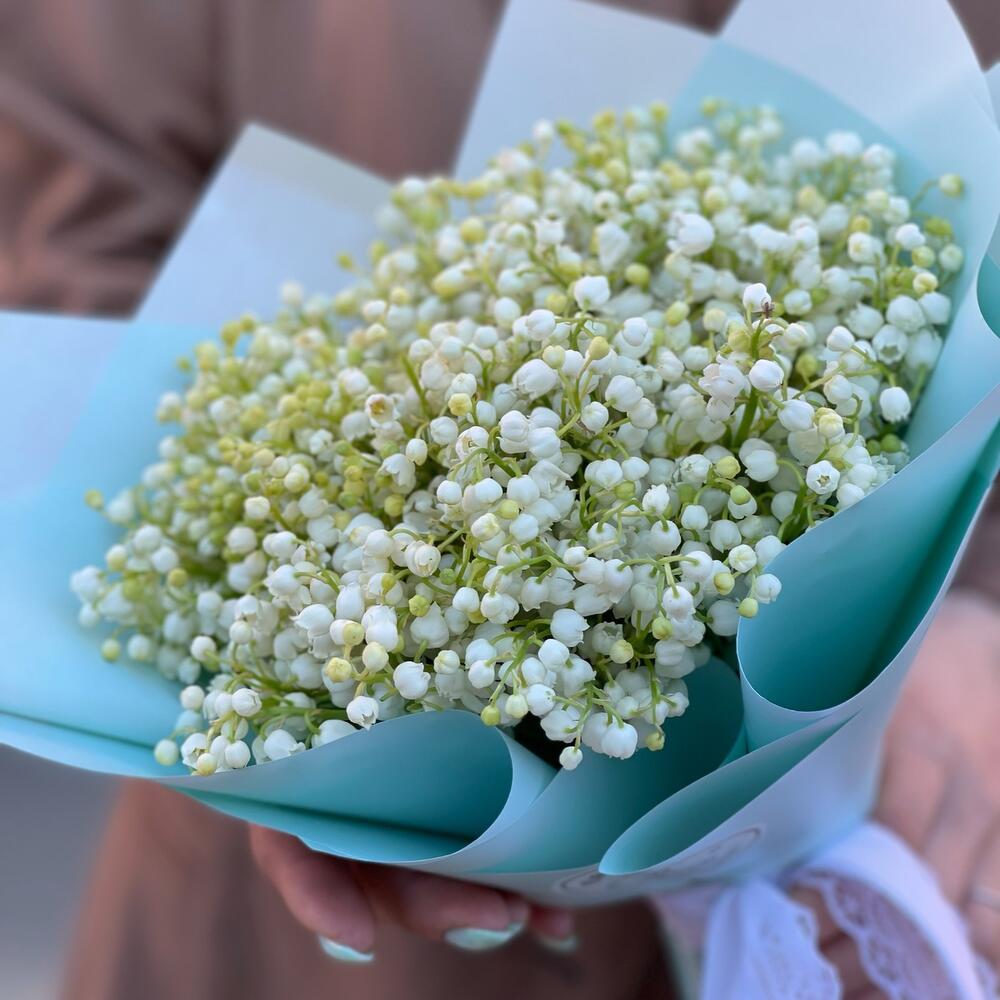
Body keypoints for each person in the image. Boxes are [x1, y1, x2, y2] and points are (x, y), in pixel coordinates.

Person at [1, 2, 998, 997]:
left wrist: (970, 597)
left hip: (952, 775)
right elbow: (76, 237)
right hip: (309, 930)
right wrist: (292, 755)